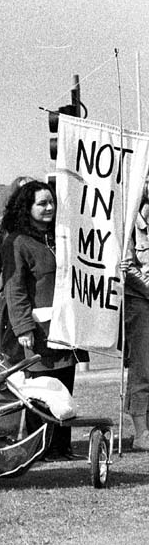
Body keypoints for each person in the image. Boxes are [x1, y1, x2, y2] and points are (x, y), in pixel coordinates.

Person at [1, 180, 85, 461]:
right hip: (38, 328)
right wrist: (23, 328)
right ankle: (41, 449)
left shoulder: (61, 235)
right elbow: (15, 288)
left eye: (51, 202)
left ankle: (63, 446)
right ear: (28, 207)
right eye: (42, 203)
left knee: (65, 386)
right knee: (43, 389)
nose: (49, 208)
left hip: (65, 326)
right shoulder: (16, 241)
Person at [122, 191, 149, 451]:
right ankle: (142, 433)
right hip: (140, 301)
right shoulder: (128, 222)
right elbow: (126, 266)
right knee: (142, 367)